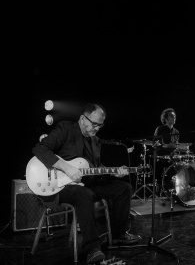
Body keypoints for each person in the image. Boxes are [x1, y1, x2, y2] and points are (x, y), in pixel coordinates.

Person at [32, 103, 142, 264]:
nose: (97, 128)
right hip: (61, 186)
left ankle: (119, 234)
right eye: (94, 123)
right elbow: (40, 149)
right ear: (83, 118)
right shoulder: (65, 129)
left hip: (87, 184)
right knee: (85, 194)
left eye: (100, 125)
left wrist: (113, 171)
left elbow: (95, 168)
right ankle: (92, 248)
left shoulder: (95, 141)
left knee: (124, 188)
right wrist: (66, 168)